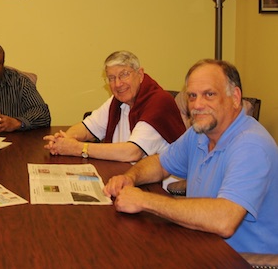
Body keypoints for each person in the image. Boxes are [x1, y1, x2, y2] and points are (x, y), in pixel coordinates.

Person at [103, 59, 278, 254]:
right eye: (192, 96)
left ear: (235, 97)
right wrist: (130, 178)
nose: (198, 105)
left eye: (209, 94)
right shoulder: (199, 133)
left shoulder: (251, 145)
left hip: (245, 259)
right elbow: (160, 163)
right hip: (201, 244)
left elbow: (224, 221)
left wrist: (145, 200)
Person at [43, 51, 186, 162]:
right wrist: (64, 140)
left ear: (140, 74)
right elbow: (87, 128)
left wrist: (77, 148)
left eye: (124, 75)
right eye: (111, 78)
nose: (118, 84)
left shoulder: (159, 102)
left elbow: (132, 152)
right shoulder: (117, 100)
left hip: (160, 187)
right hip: (124, 174)